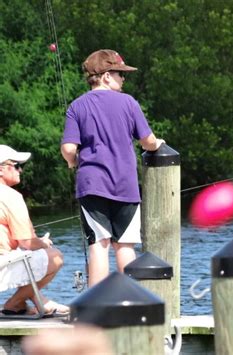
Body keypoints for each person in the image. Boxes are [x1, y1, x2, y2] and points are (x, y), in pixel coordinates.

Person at [61, 49, 165, 287]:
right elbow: (148, 141)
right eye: (120, 74)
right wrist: (157, 144)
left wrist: (73, 161)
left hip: (92, 185)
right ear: (106, 75)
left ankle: (97, 307)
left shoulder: (76, 106)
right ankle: (133, 302)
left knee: (99, 243)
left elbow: (68, 148)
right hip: (125, 185)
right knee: (125, 244)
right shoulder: (129, 103)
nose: (123, 79)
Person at [0, 145, 69, 316]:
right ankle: (15, 303)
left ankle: (27, 303)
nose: (20, 170)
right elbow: (27, 242)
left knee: (24, 255)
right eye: (16, 165)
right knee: (56, 256)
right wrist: (43, 243)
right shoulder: (10, 196)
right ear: (1, 169)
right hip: (2, 267)